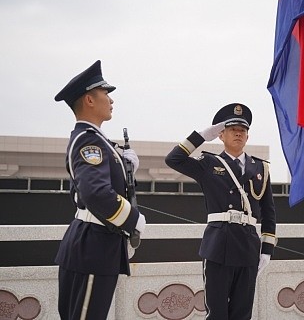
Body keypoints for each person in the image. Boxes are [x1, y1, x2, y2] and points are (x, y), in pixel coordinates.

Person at [165, 103, 277, 320]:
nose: (238, 133)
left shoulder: (260, 168)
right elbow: (173, 159)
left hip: (248, 248)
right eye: (233, 129)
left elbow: (269, 212)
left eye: (243, 130)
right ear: (220, 135)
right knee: (217, 314)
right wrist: (199, 136)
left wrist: (267, 250)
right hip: (218, 247)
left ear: (247, 136)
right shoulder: (209, 163)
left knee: (242, 314)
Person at [54, 60, 146, 320]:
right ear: (89, 100)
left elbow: (103, 184)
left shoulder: (99, 141)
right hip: (93, 247)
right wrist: (132, 220)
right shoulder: (89, 141)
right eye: (105, 93)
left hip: (96, 245)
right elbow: (95, 193)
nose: (111, 100)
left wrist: (126, 168)